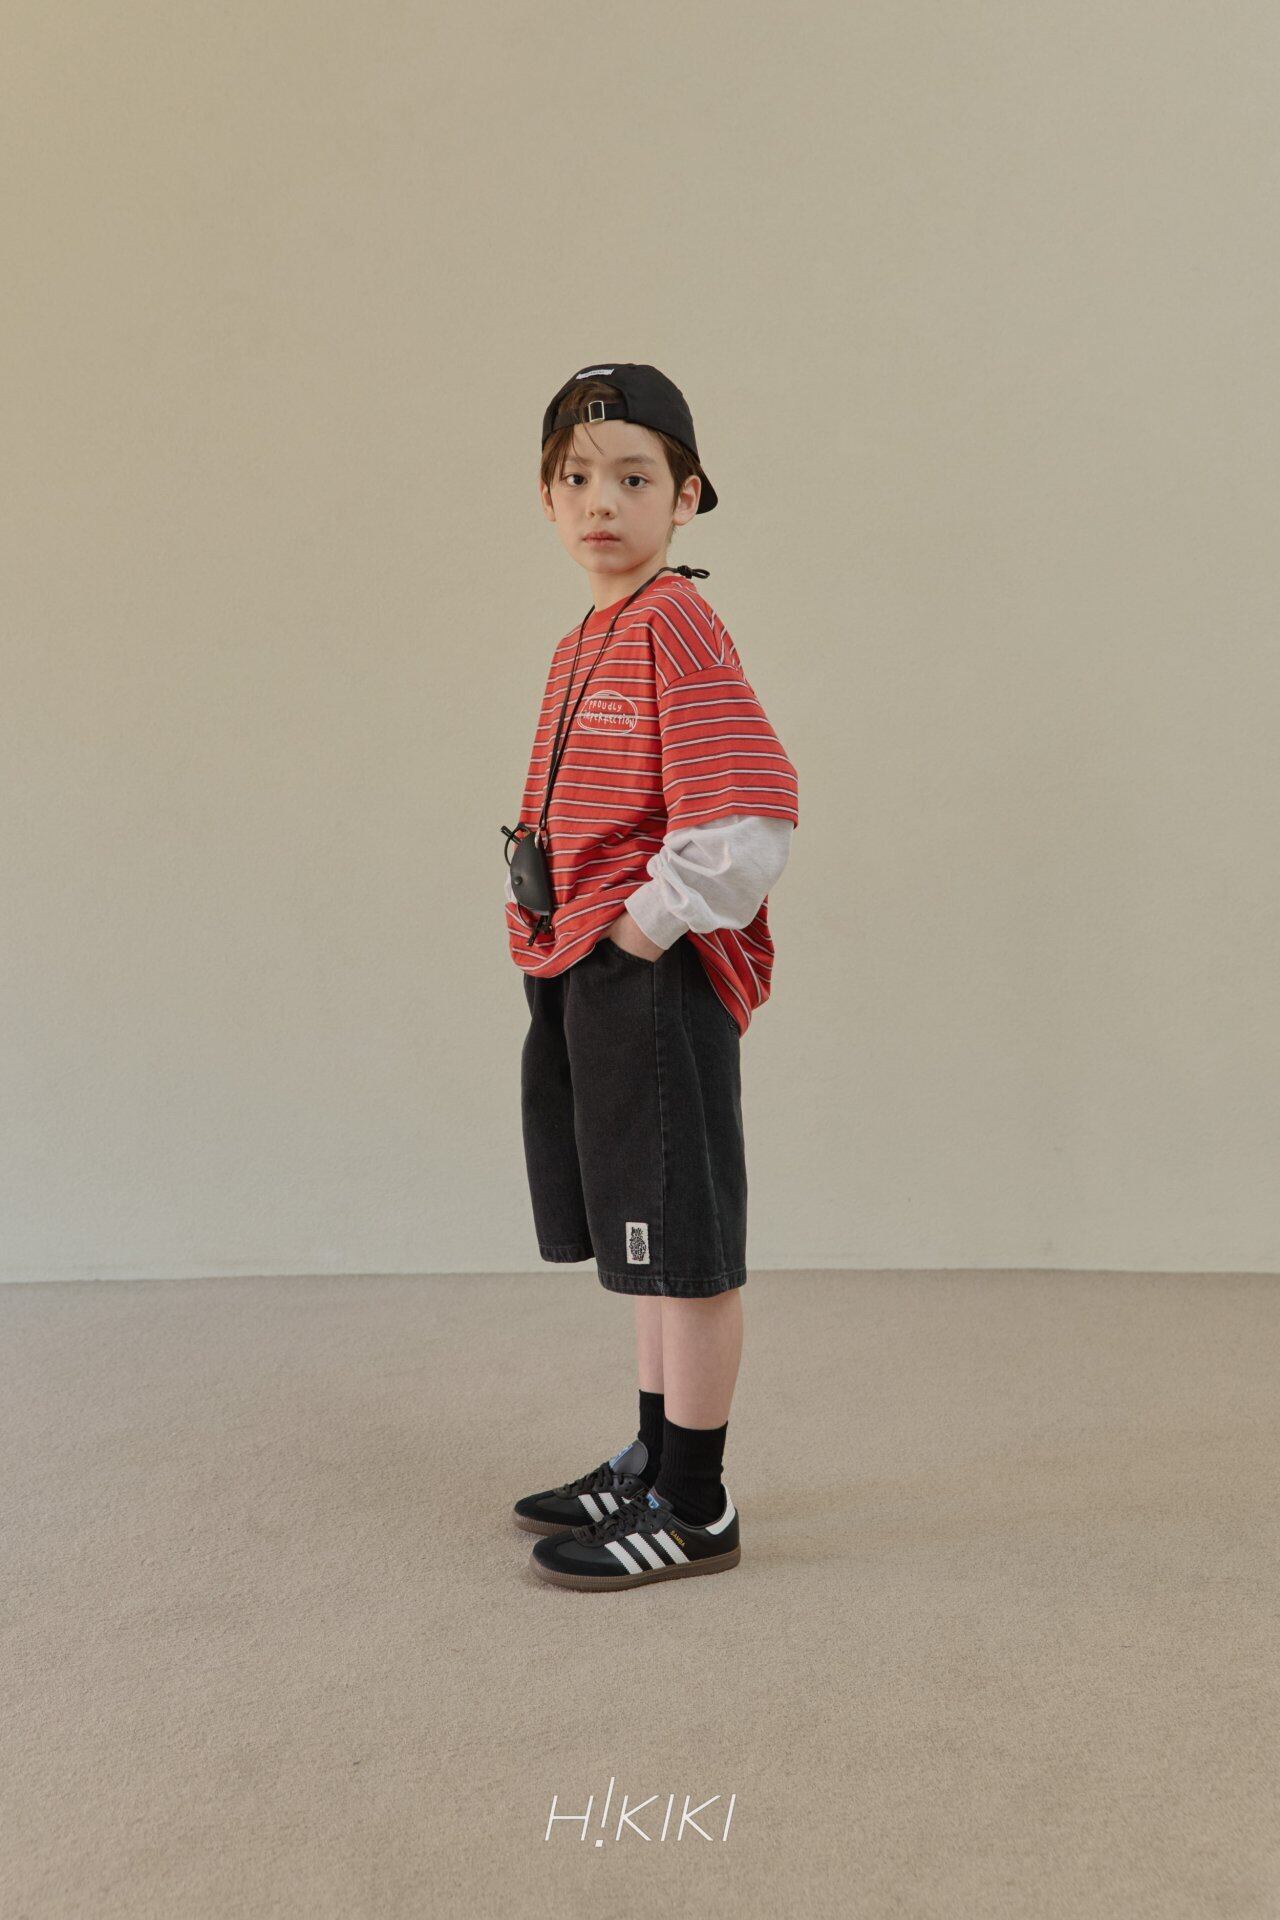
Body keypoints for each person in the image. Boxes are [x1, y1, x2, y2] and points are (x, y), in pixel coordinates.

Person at [502, 364, 799, 1591]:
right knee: (638, 1231)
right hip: (588, 968)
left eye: (633, 478)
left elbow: (750, 814)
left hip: (650, 977)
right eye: (575, 477)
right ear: (545, 498)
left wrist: (641, 931)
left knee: (683, 1243)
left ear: (684, 497)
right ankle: (649, 1455)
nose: (600, 501)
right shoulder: (587, 636)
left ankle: (693, 1498)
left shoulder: (673, 620)